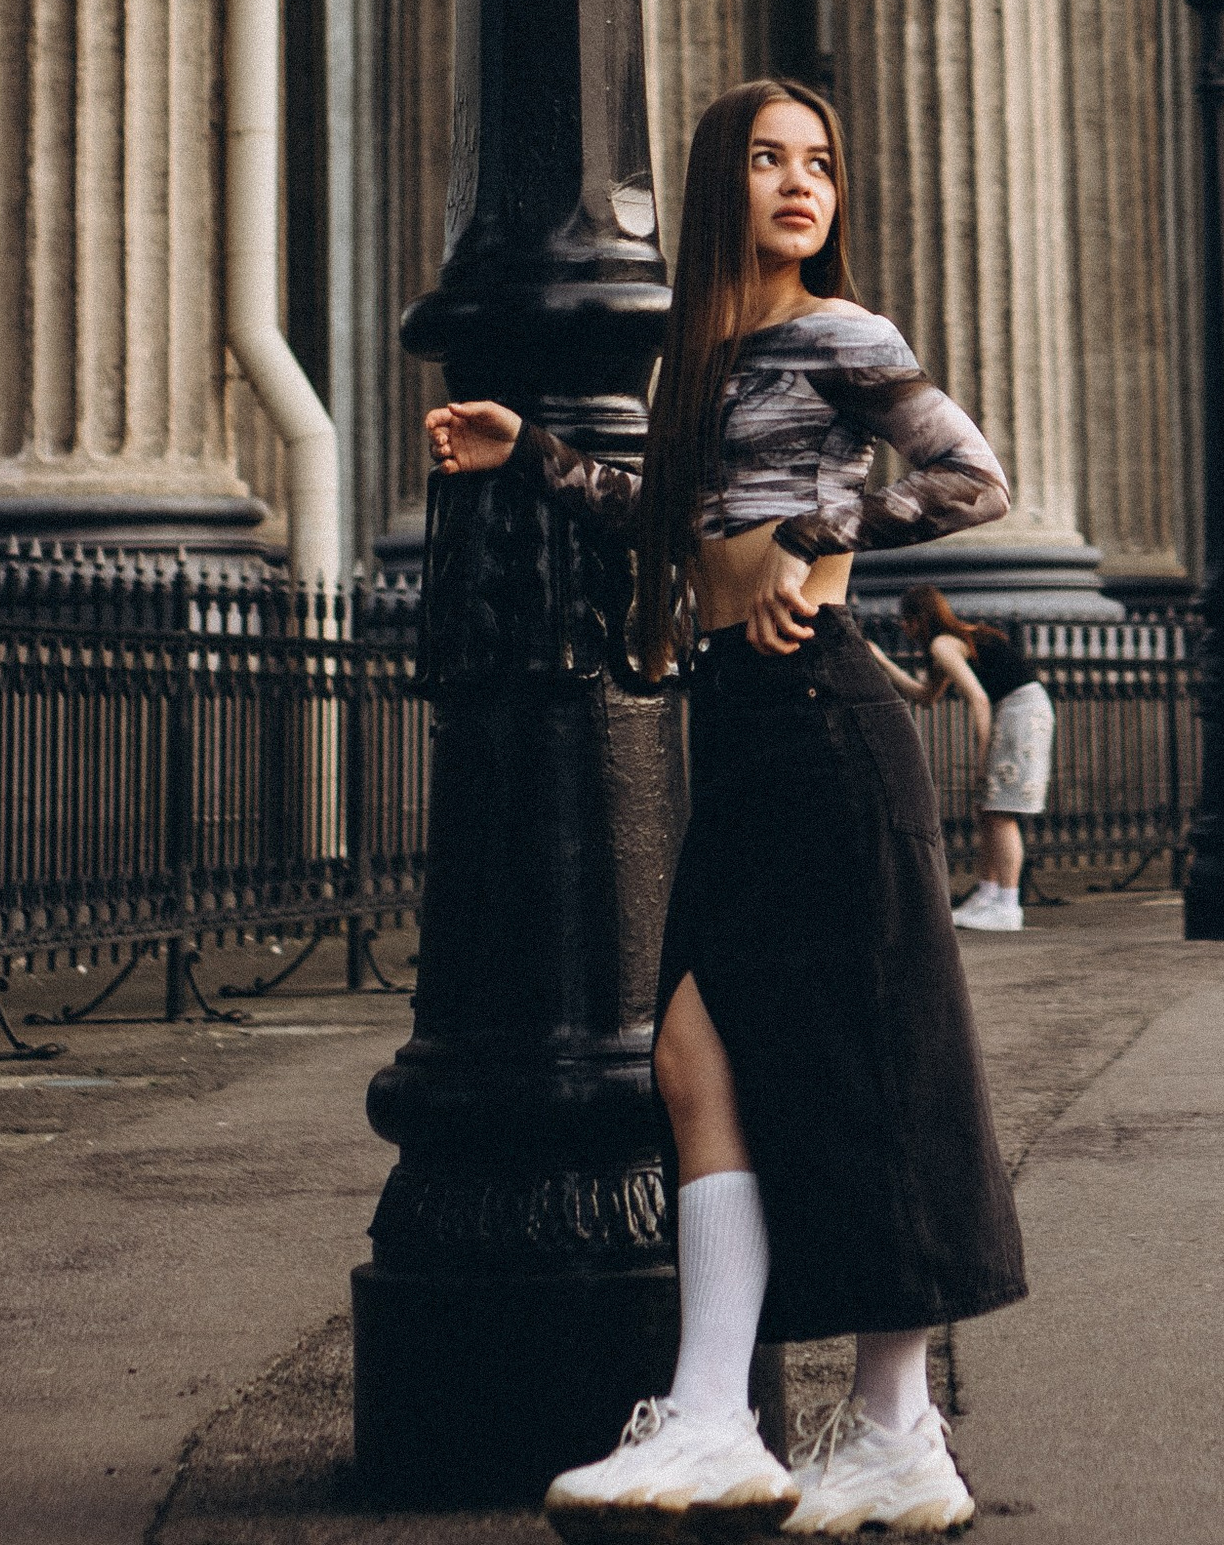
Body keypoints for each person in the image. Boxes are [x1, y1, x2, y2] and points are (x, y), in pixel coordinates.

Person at [424, 78, 1022, 1540]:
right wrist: (536, 458)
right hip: (748, 725)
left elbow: (969, 477)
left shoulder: (844, 335)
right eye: (768, 160)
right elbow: (679, 520)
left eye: (820, 160)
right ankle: (720, 1420)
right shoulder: (705, 357)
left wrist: (829, 527)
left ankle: (889, 1429)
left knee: (864, 1062)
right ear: (720, 187)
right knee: (697, 1051)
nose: (800, 183)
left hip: (828, 710)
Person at [871, 586, 1057, 934]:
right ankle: (987, 896)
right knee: (990, 810)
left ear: (915, 620)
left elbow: (979, 699)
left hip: (1019, 710)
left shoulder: (943, 644)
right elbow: (926, 696)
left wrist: (982, 757)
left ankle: (1007, 904)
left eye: (904, 621)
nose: (903, 629)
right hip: (1023, 708)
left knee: (1000, 812)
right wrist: (882, 661)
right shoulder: (956, 640)